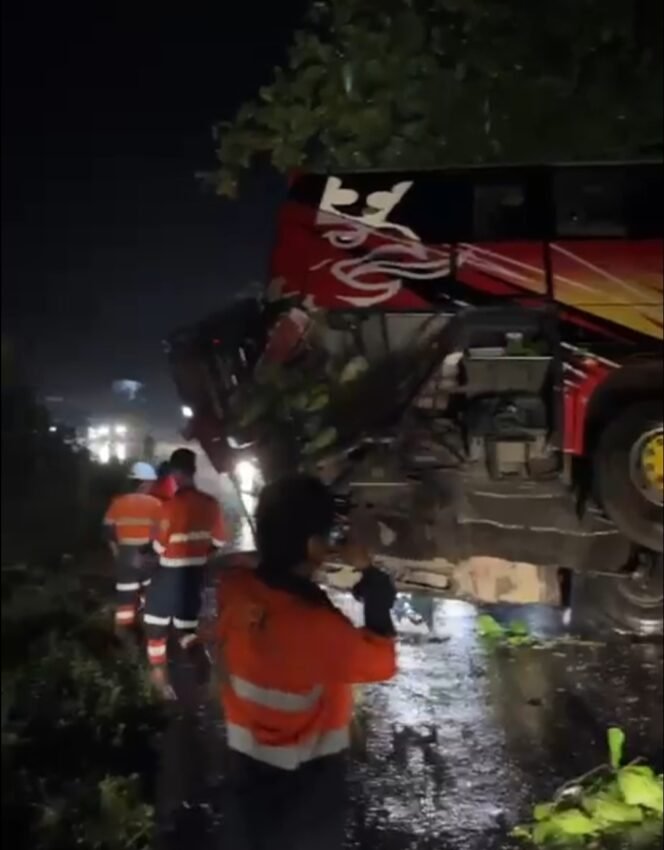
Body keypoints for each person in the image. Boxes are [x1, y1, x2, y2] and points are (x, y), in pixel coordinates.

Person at [214, 474, 397, 850]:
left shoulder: (232, 589)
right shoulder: (316, 626)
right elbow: (382, 662)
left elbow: (260, 575)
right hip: (305, 791)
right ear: (315, 545)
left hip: (245, 776)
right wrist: (372, 580)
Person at [144, 448, 227, 695]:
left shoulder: (170, 507)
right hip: (194, 578)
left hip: (168, 577)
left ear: (175, 474)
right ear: (194, 470)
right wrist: (198, 556)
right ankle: (204, 677)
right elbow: (219, 543)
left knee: (155, 630)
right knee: (186, 630)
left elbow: (159, 547)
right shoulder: (211, 505)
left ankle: (161, 686)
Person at [103, 461, 162, 633]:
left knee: (125, 602)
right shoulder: (155, 504)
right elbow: (162, 535)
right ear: (144, 483)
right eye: (151, 483)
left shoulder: (117, 503)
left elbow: (107, 533)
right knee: (151, 595)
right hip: (147, 556)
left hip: (125, 555)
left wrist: (117, 554)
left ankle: (123, 642)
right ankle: (150, 634)